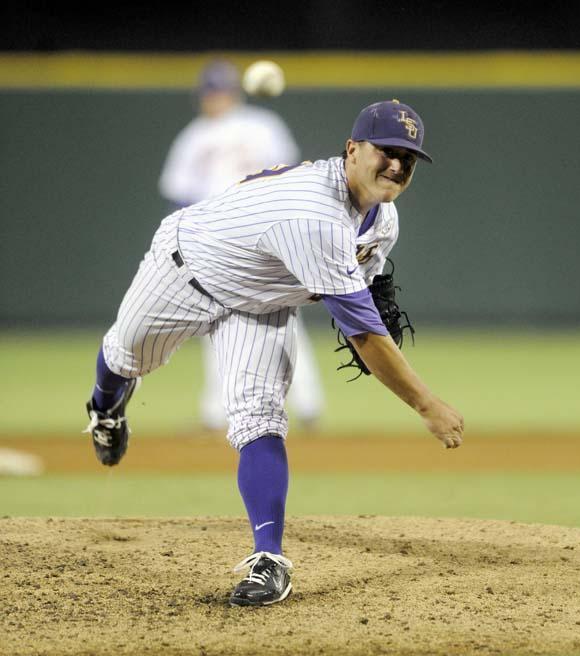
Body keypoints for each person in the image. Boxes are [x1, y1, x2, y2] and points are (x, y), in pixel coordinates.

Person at [84, 99, 465, 607]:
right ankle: (105, 407)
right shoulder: (315, 215)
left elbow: (366, 299)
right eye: (387, 151)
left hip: (262, 303)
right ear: (352, 150)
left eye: (409, 158)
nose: (397, 166)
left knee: (259, 420)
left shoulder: (383, 221)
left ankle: (269, 559)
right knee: (126, 355)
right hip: (185, 270)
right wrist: (426, 404)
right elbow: (366, 336)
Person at [158, 59, 324, 430]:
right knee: (216, 321)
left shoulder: (260, 126)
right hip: (217, 240)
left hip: (264, 235)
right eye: (210, 91)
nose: (214, 98)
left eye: (220, 90)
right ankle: (217, 411)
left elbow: (291, 179)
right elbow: (180, 198)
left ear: (233, 92)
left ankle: (308, 403)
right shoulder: (196, 135)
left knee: (283, 315)